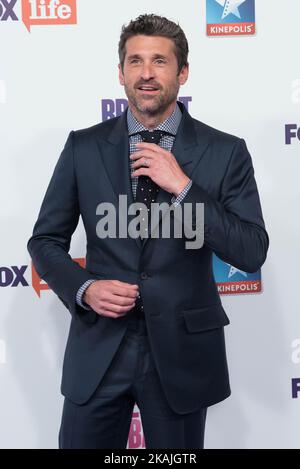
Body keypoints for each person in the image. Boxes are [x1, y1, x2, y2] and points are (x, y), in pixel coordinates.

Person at [27, 14, 269, 449]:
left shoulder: (225, 151)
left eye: (160, 61)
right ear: (120, 74)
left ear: (183, 72)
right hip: (99, 346)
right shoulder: (83, 146)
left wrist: (184, 187)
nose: (147, 73)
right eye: (135, 61)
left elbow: (251, 250)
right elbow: (44, 242)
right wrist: (85, 288)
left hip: (181, 354)